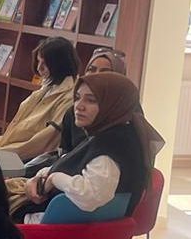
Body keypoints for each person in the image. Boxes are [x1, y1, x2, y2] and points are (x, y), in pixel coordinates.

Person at [13, 72, 160, 222]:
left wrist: (54, 178)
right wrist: (40, 176)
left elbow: (90, 197)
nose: (79, 106)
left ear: (113, 104)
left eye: (91, 100)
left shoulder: (110, 148)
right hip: (62, 221)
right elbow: (70, 161)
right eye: (77, 98)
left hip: (56, 228)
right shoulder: (112, 135)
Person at [4, 47, 126, 169]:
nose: (95, 75)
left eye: (105, 71)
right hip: (48, 167)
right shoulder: (71, 110)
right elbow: (62, 155)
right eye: (91, 69)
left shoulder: (122, 122)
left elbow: (44, 144)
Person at [0, 37, 79, 156]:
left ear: (60, 65)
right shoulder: (47, 87)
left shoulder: (69, 97)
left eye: (45, 64)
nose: (39, 68)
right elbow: (15, 132)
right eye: (38, 61)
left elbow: (42, 143)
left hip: (25, 157)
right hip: (9, 150)